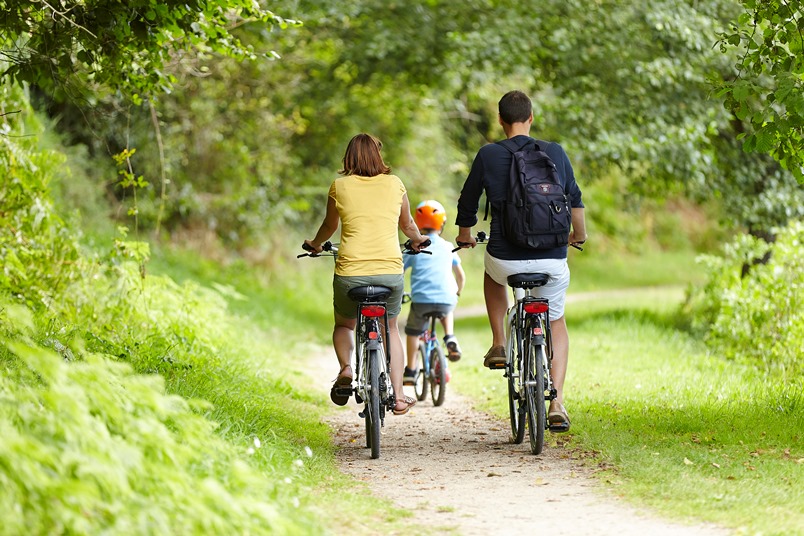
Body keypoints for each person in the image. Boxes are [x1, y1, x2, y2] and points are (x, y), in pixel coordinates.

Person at [454, 90, 587, 431]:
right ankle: (556, 402)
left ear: (500, 120)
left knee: (491, 274)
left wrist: (465, 235)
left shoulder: (488, 154)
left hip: (506, 257)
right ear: (531, 117)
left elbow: (468, 201)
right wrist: (578, 236)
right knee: (556, 322)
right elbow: (574, 198)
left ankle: (499, 342)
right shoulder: (554, 151)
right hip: (552, 259)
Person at [304, 133, 429, 416]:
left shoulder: (340, 186)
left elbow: (328, 227)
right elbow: (408, 225)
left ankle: (347, 369)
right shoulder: (395, 184)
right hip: (389, 272)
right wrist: (419, 240)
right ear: (378, 156)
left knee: (344, 325)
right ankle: (398, 396)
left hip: (351, 274)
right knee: (391, 329)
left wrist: (314, 245)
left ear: (348, 158)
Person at [402, 200, 466, 386]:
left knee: (413, 332)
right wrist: (458, 292)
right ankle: (450, 336)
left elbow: (400, 271)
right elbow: (460, 276)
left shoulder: (414, 247)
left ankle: (411, 371)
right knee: (447, 307)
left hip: (421, 299)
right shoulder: (447, 246)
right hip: (446, 298)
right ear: (442, 223)